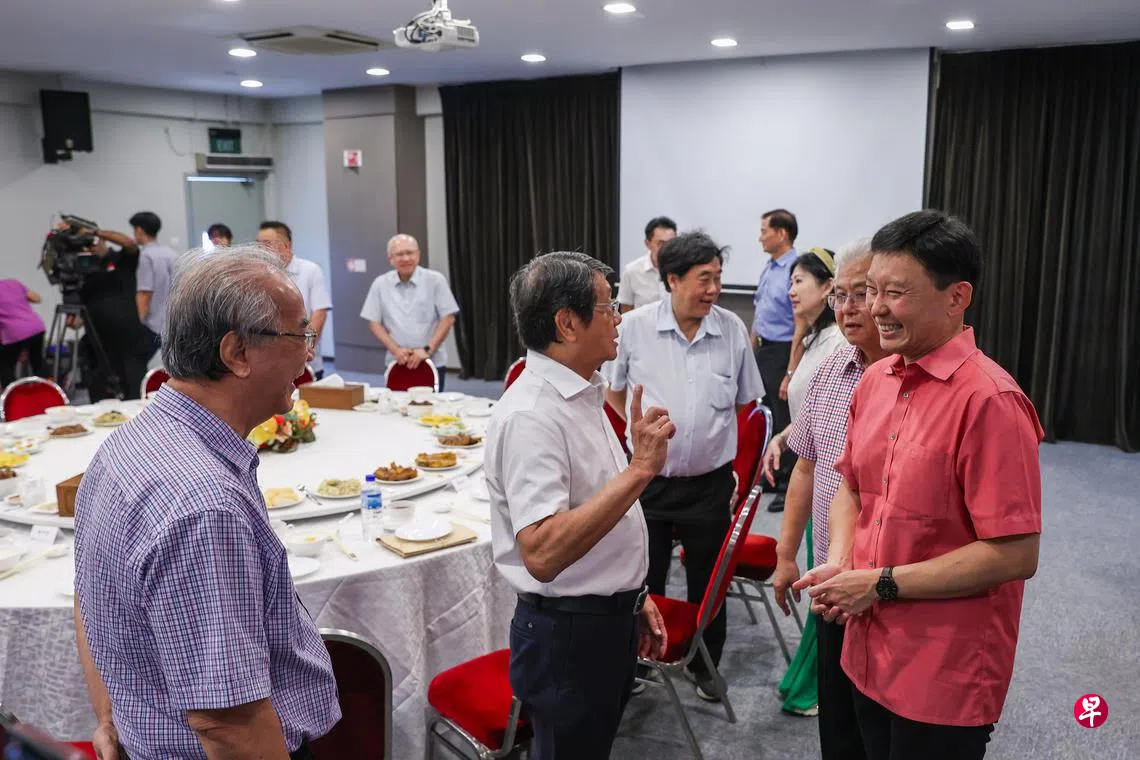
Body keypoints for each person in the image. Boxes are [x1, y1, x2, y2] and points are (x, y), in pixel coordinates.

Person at [794, 211, 1044, 760]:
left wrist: (880, 584)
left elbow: (1015, 552)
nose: (875, 308)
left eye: (895, 293)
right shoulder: (877, 380)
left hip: (940, 671)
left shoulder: (991, 402)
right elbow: (851, 487)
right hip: (865, 648)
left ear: (957, 297)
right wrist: (841, 561)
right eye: (870, 290)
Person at [73, 247, 340, 760]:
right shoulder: (204, 506)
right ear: (236, 352)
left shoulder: (125, 446)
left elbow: (89, 596)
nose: (309, 354)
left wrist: (109, 715)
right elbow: (228, 724)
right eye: (300, 335)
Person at [487, 251, 671, 759]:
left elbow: (597, 512)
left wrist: (632, 594)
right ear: (568, 323)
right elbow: (543, 552)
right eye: (609, 308)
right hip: (568, 636)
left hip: (599, 620)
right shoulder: (532, 414)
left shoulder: (579, 393)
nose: (620, 319)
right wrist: (640, 469)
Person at [605, 231, 764, 702]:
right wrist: (636, 433)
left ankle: (704, 662)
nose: (713, 289)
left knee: (707, 581)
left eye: (717, 278)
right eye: (703, 279)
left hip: (708, 483)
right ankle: (638, 660)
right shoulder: (635, 328)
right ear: (672, 279)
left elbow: (745, 401)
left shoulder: (731, 329)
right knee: (642, 577)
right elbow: (612, 390)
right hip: (648, 480)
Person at [766, 238, 885, 754]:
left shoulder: (915, 378)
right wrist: (786, 553)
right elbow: (806, 468)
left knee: (884, 726)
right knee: (837, 724)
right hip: (832, 571)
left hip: (892, 582)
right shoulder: (833, 370)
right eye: (841, 295)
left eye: (864, 293)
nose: (850, 307)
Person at [359, 234, 459, 390]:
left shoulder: (435, 280)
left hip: (431, 360)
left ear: (418, 254)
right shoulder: (380, 284)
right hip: (397, 360)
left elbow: (448, 318)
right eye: (399, 254)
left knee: (432, 405)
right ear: (390, 259)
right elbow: (373, 323)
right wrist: (395, 350)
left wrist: (427, 350)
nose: (405, 258)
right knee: (394, 403)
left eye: (410, 253)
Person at [751, 208, 799, 512]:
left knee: (786, 418)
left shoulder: (795, 268)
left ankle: (789, 483)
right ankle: (773, 474)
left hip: (785, 351)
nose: (760, 238)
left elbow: (801, 323)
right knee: (767, 413)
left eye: (764, 231)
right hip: (764, 350)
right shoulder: (770, 266)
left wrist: (791, 371)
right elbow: (761, 309)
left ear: (781, 233)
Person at [74, 233, 156, 400]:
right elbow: (75, 321)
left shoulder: (120, 260)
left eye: (92, 243)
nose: (90, 248)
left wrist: (94, 231)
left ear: (102, 240)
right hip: (98, 348)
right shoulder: (82, 271)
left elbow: (129, 244)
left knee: (135, 398)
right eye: (85, 245)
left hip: (129, 345)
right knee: (102, 403)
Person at [257, 221, 332, 379]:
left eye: (267, 244)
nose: (261, 249)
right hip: (270, 364)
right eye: (259, 244)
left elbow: (320, 313)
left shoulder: (310, 271)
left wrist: (304, 346)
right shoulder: (260, 274)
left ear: (286, 246)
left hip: (306, 362)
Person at [97, 211, 177, 349]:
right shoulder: (172, 254)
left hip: (152, 327)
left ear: (139, 230)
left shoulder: (145, 256)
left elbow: (145, 294)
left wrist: (135, 327)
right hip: (172, 323)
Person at [617, 216, 677, 313]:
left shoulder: (684, 269)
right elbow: (626, 310)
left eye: (671, 243)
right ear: (647, 244)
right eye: (661, 243)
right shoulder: (632, 271)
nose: (667, 248)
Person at [0, 280, 47, 387]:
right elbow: (37, 298)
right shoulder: (12, 283)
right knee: (38, 362)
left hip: (15, 332)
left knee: (5, 365)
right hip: (36, 327)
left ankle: (13, 393)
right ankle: (48, 389)